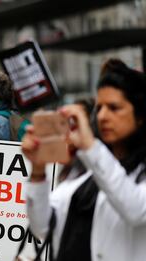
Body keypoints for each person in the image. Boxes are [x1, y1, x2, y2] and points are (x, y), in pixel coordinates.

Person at [22, 59, 146, 261]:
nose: (103, 116)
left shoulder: (98, 160)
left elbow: (135, 208)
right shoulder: (85, 169)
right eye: (100, 107)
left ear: (140, 115)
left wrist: (89, 146)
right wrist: (37, 171)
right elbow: (42, 227)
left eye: (114, 108)